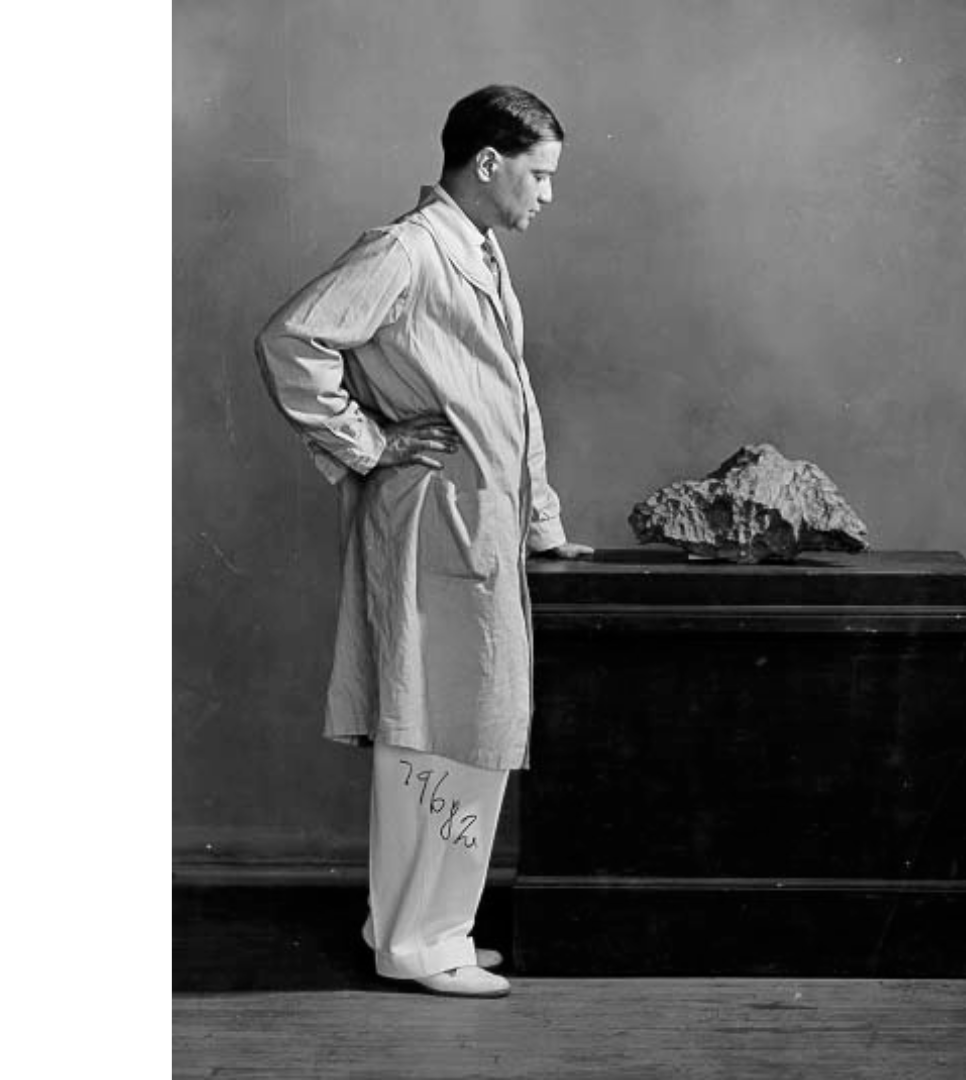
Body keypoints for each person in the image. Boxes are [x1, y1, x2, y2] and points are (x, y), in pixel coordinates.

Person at [254, 85, 592, 999]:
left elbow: (506, 404)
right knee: (427, 729)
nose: (547, 196)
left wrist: (542, 526)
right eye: (540, 174)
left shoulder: (475, 252)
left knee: (469, 727)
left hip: (478, 533)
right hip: (430, 528)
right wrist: (370, 444)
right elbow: (294, 343)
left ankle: (429, 924)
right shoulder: (405, 252)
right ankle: (414, 941)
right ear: (489, 163)